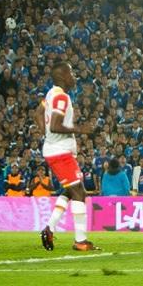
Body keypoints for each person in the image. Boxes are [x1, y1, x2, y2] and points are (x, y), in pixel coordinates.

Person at [40, 62, 98, 251]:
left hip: (57, 149)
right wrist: (81, 129)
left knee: (70, 190)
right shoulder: (61, 97)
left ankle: (50, 228)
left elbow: (37, 114)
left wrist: (47, 137)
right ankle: (80, 241)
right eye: (71, 72)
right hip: (60, 152)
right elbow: (55, 125)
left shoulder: (50, 94)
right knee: (79, 193)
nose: (74, 76)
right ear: (62, 76)